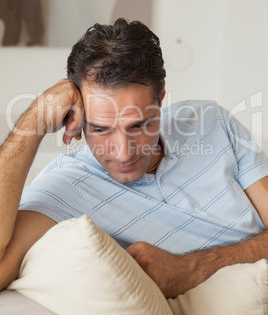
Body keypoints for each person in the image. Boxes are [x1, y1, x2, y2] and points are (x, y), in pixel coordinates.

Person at [0, 18, 268, 298]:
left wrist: (189, 270)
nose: (123, 153)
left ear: (161, 99)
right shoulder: (68, 186)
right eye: (100, 129)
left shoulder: (210, 120)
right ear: (77, 120)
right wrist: (35, 119)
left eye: (139, 125)